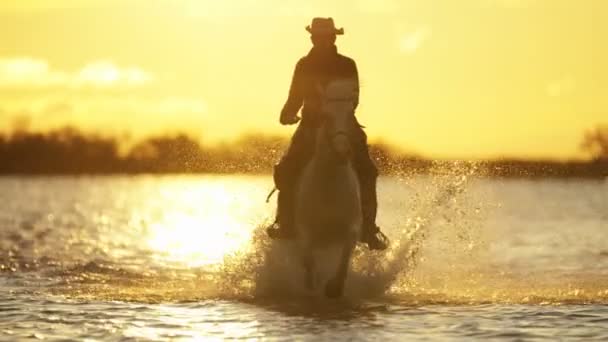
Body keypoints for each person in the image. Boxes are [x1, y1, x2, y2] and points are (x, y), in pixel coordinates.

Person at [266, 17, 389, 250]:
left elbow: (354, 99)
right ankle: (286, 223)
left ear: (333, 38)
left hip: (343, 123)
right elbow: (295, 97)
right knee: (287, 169)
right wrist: (287, 113)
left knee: (366, 170)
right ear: (312, 38)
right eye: (317, 37)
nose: (320, 40)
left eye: (325, 36)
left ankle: (368, 228)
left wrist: (334, 114)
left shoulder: (347, 64)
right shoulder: (303, 64)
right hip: (311, 125)